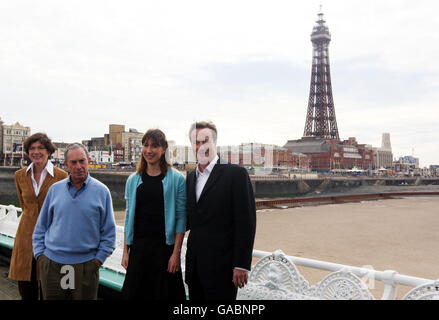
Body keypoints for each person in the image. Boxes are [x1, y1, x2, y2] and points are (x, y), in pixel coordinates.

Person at [32, 143, 116, 300]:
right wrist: (40, 256)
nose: (79, 166)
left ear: (88, 161)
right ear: (66, 165)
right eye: (74, 162)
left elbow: (109, 233)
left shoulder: (102, 191)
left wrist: (97, 261)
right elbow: (41, 226)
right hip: (52, 265)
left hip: (86, 266)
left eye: (82, 161)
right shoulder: (55, 190)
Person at [185, 121, 256, 300]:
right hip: (195, 267)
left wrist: (241, 264)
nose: (201, 146)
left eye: (205, 141)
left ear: (215, 142)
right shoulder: (191, 177)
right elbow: (189, 219)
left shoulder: (236, 175)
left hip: (223, 268)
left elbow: (246, 221)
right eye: (196, 142)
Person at [121, 129, 187, 300]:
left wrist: (176, 254)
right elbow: (129, 217)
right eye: (145, 145)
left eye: (154, 146)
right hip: (139, 250)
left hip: (164, 251)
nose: (149, 150)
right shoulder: (133, 180)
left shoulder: (177, 179)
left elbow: (181, 218)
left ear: (164, 149)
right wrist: (126, 251)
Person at [9, 133, 68, 300]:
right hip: (25, 237)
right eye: (32, 148)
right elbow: (25, 205)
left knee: (49, 288)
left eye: (40, 148)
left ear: (48, 151)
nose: (36, 152)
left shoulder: (61, 176)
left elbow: (63, 208)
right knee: (26, 288)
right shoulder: (20, 176)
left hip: (51, 236)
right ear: (28, 152)